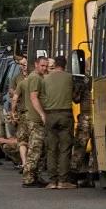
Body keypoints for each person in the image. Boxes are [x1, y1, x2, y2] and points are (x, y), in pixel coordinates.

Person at [30, 56, 75, 189]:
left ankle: (52, 181)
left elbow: (42, 96)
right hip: (65, 114)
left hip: (50, 115)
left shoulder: (45, 78)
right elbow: (74, 94)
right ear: (65, 65)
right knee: (65, 148)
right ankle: (63, 181)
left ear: (54, 65)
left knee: (51, 149)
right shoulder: (69, 77)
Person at [21, 56, 49, 187]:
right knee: (35, 149)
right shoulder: (35, 78)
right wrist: (42, 114)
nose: (45, 68)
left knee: (40, 149)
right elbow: (34, 97)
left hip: (34, 119)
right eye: (42, 65)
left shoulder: (37, 77)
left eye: (46, 66)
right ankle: (28, 178)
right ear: (36, 64)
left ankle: (35, 176)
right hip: (35, 119)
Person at [70, 68, 95, 187]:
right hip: (99, 116)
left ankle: (73, 176)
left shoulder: (84, 82)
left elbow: (76, 99)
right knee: (95, 150)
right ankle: (90, 176)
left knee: (80, 147)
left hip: (86, 116)